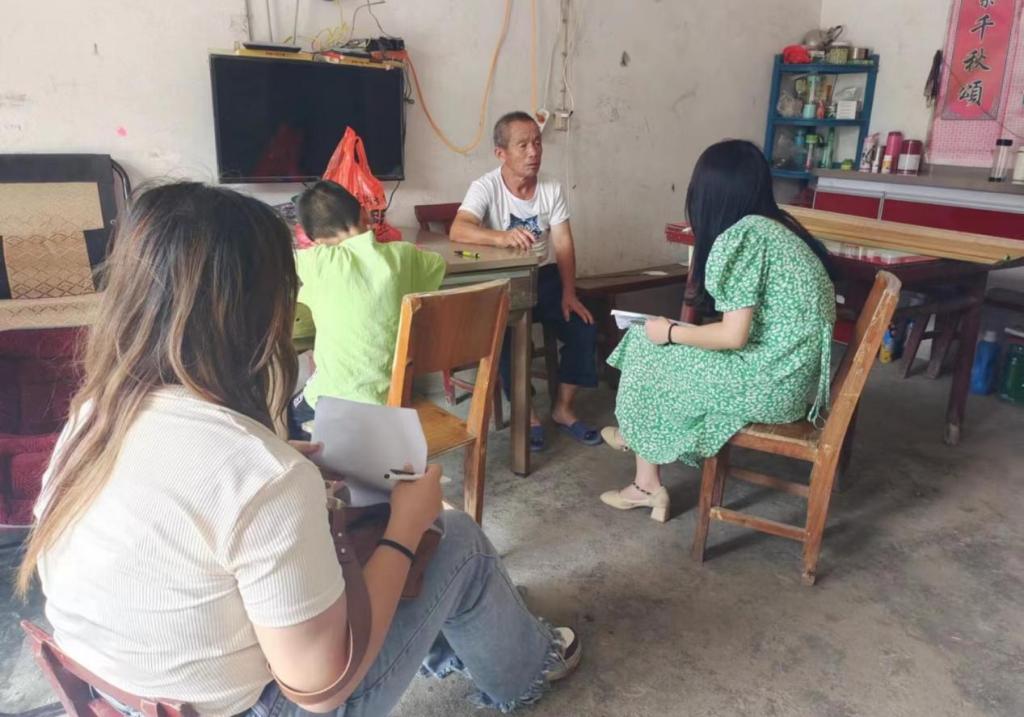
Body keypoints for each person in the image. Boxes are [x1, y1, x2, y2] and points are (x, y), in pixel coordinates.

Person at [16, 182, 581, 717]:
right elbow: (320, 686)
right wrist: (406, 528)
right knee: (455, 540)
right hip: (267, 704)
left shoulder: (91, 419)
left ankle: (445, 637)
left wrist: (278, 455)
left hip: (113, 693)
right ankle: (529, 667)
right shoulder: (260, 475)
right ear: (262, 314)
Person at [599, 140, 836, 521]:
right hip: (788, 382)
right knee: (656, 339)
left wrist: (671, 333)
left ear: (707, 193)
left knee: (647, 343)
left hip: (767, 385)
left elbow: (732, 336)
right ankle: (636, 440)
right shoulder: (775, 229)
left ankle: (644, 477)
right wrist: (674, 332)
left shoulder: (742, 237)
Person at [450, 111, 601, 452]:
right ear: (500, 153)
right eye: (523, 145)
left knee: (584, 326)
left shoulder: (550, 188)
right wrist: (500, 237)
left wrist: (569, 292)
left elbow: (563, 243)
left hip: (543, 277)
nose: (534, 152)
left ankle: (563, 409)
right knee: (506, 337)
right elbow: (459, 229)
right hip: (503, 281)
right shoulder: (485, 186)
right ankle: (528, 414)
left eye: (537, 143)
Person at [289, 180, 446, 438]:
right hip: (388, 400)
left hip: (332, 403)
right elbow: (438, 263)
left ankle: (321, 460)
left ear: (315, 240)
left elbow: (279, 257)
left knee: (287, 413)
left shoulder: (317, 261)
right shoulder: (404, 256)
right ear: (365, 214)